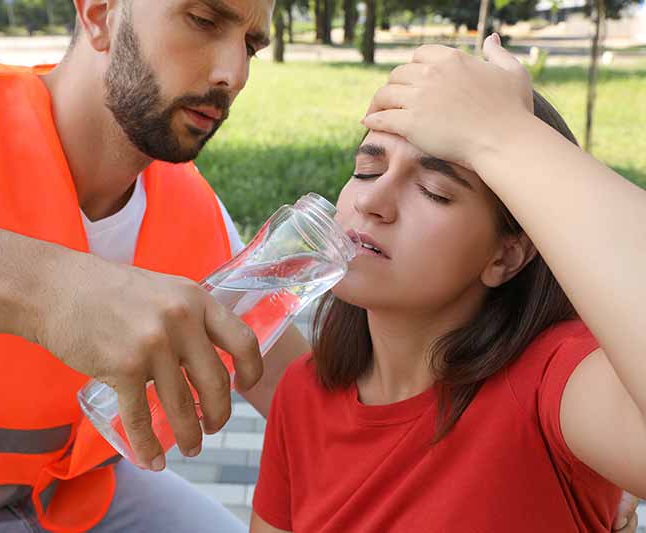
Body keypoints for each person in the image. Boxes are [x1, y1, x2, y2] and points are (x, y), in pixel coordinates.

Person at [0, 0, 311, 531]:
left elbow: (302, 398)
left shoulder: (195, 217)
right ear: (98, 13)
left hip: (76, 497)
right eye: (204, 21)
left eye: (251, 46)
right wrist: (48, 290)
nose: (235, 74)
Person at [251, 35, 646, 532]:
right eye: (367, 168)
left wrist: (507, 137)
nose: (375, 201)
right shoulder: (303, 393)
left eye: (434, 191)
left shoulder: (552, 385)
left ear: (506, 254)